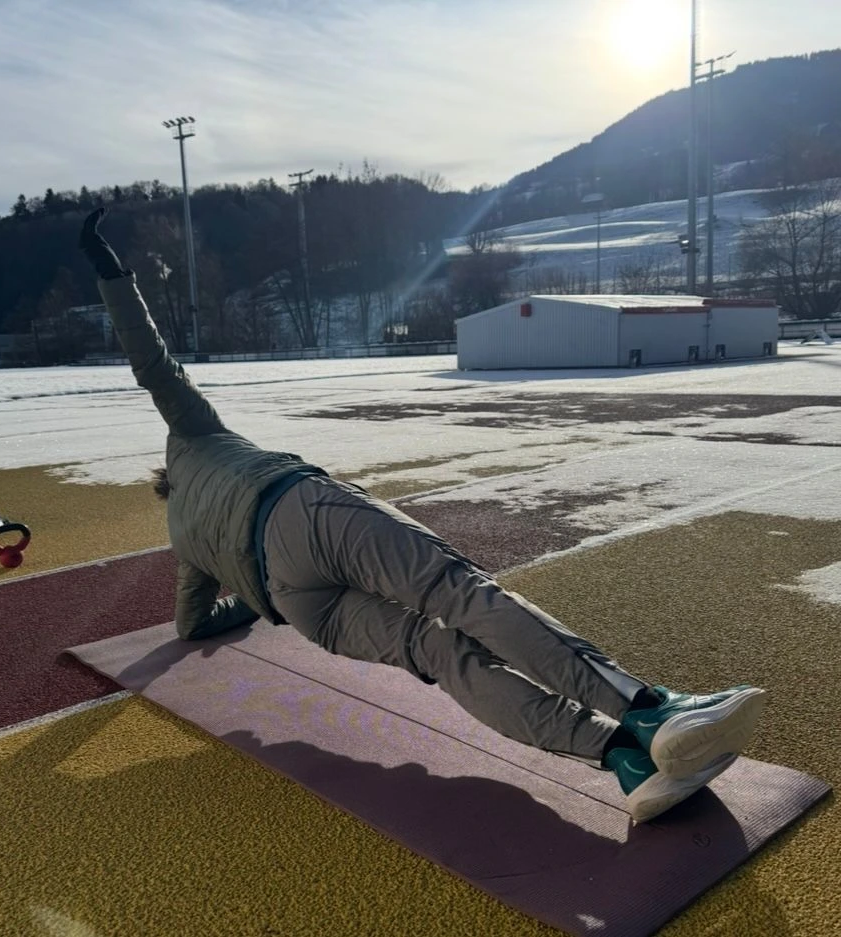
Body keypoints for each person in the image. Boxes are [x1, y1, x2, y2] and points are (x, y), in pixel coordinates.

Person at [78, 208, 766, 823]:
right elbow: (152, 363)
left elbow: (191, 623)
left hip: (296, 601)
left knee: (440, 652)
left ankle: (621, 757)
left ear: (164, 495)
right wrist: (114, 273)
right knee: (461, 595)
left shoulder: (183, 544)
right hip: (299, 512)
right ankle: (649, 710)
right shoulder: (191, 433)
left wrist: (250, 607)